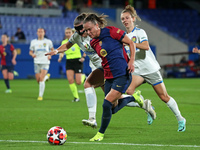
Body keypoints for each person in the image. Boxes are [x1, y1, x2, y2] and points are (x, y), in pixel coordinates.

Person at [45, 13, 155, 129]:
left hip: (107, 66)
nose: (80, 31)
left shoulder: (95, 34)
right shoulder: (77, 36)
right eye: (76, 29)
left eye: (81, 28)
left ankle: (92, 118)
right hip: (98, 67)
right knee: (113, 103)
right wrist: (57, 51)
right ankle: (141, 103)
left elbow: (119, 43)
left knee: (88, 84)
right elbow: (67, 45)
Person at [82, 13, 152, 142]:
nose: (88, 32)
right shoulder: (93, 42)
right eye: (86, 30)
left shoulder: (112, 31)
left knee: (106, 104)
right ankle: (133, 97)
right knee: (112, 109)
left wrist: (131, 61)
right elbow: (104, 58)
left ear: (97, 26)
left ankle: (100, 134)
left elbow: (130, 43)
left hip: (122, 74)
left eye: (89, 29)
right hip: (108, 76)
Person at [120, 5, 186, 132]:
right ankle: (147, 107)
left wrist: (130, 43)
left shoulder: (140, 32)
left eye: (127, 18)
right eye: (122, 19)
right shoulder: (123, 36)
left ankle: (180, 118)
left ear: (133, 19)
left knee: (164, 97)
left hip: (150, 69)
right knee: (128, 91)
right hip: (137, 71)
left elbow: (145, 46)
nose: (125, 20)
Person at [58, 27, 86, 102]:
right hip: (69, 61)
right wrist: (60, 57)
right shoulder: (64, 42)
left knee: (79, 82)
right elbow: (62, 51)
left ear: (72, 33)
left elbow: (85, 49)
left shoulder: (77, 41)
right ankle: (76, 97)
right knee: (70, 80)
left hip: (77, 61)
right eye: (66, 33)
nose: (67, 34)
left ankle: (84, 77)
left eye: (69, 32)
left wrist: (83, 57)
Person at [29, 28, 54, 100]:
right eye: (39, 32)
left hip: (45, 61)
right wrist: (32, 54)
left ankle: (40, 96)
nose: (40, 33)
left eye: (41, 32)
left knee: (41, 79)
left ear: (44, 33)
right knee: (38, 80)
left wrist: (50, 55)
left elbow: (52, 49)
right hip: (37, 61)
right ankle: (47, 77)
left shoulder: (48, 41)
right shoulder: (33, 42)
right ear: (37, 33)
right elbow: (30, 51)